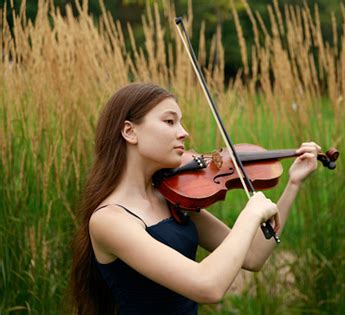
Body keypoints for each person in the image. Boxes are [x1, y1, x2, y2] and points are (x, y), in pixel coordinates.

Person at [70, 83, 321, 315]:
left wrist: (293, 183)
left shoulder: (173, 199)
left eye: (181, 122)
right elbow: (207, 286)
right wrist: (250, 214)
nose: (184, 133)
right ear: (129, 131)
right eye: (169, 122)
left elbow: (254, 256)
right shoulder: (109, 220)